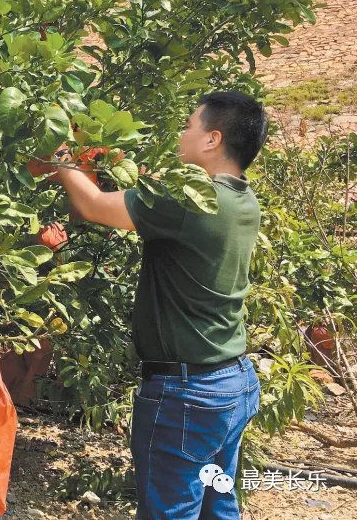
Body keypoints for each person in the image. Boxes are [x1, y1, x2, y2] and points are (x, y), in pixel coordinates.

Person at [52, 91, 266, 520]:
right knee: (216, 505)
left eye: (189, 126)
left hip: (187, 395)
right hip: (232, 383)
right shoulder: (241, 199)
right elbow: (144, 200)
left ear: (212, 140)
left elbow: (93, 206)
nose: (181, 134)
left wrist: (59, 156)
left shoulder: (190, 201)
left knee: (170, 512)